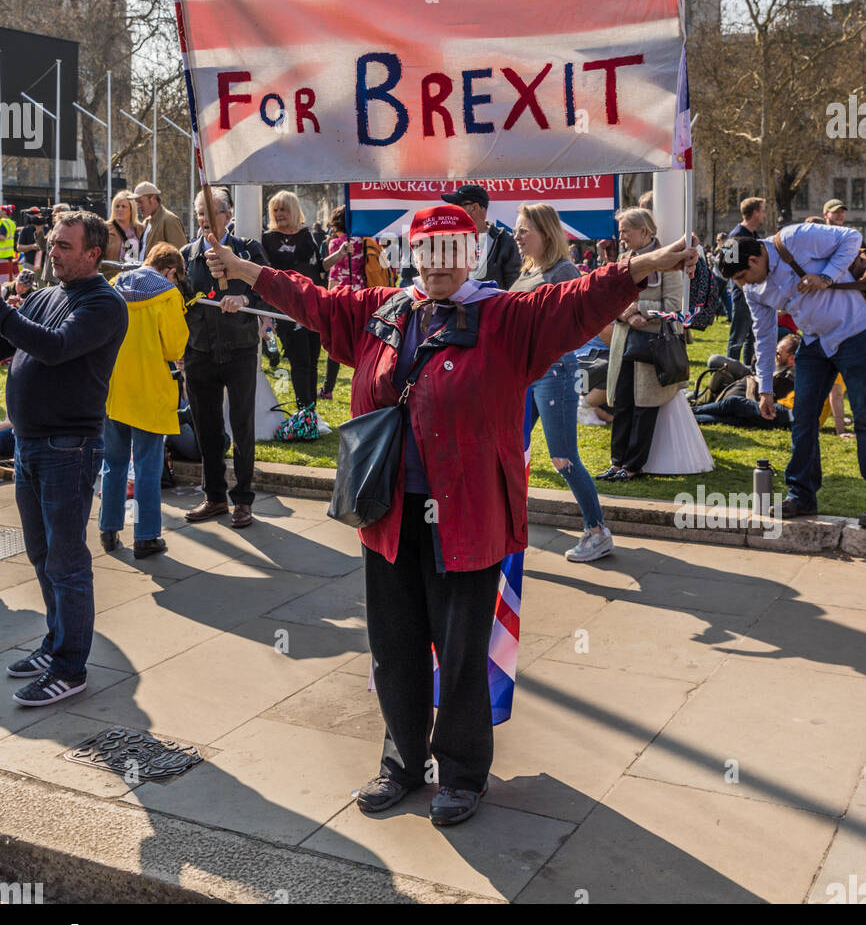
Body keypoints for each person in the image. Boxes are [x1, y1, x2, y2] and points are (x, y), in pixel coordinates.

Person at [203, 203, 697, 826]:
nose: (436, 265)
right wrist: (247, 268)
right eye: (426, 251)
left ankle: (462, 774)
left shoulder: (506, 316)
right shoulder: (383, 310)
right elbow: (313, 299)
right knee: (395, 646)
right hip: (387, 513)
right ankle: (403, 763)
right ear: (413, 253)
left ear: (469, 254)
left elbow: (578, 300)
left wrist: (642, 265)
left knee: (462, 652)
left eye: (449, 251)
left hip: (468, 516)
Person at [0, 212, 128, 705]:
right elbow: (14, 341)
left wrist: (5, 314)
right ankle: (54, 644)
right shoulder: (45, 294)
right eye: (51, 243)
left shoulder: (104, 304)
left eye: (63, 246)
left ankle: (71, 667)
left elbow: (54, 348)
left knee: (67, 562)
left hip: (68, 450)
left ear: (92, 253)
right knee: (40, 554)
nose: (51, 251)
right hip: (29, 445)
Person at [718, 221, 866, 524]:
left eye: (744, 276)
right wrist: (766, 390)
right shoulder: (754, 289)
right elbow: (764, 336)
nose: (744, 285)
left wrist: (825, 276)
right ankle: (801, 496)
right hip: (814, 343)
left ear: (755, 259)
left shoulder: (794, 238)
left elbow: (852, 237)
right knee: (802, 418)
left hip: (856, 332)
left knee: (863, 418)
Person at [509, 203, 614, 563]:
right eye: (517, 230)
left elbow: (577, 320)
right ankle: (507, 524)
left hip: (554, 372)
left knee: (562, 458)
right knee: (509, 451)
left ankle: (597, 531)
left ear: (546, 233)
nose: (517, 236)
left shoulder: (564, 270)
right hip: (524, 374)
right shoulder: (526, 272)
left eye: (524, 230)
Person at [181, 189, 268, 530]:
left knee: (242, 424)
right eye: (199, 212)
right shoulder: (187, 255)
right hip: (199, 350)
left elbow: (267, 287)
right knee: (207, 426)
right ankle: (214, 495)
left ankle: (243, 499)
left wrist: (244, 297)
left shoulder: (248, 249)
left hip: (240, 348)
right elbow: (181, 299)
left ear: (228, 214)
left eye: (211, 212)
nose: (204, 219)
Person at [98, 243, 190, 560]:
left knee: (114, 463)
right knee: (148, 468)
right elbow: (174, 348)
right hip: (150, 390)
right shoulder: (168, 295)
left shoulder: (113, 286)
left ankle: (108, 530)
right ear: (171, 271)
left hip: (114, 388)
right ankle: (146, 536)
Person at [599, 207, 687, 481]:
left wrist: (640, 309)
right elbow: (611, 296)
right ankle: (616, 462)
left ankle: (633, 465)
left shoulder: (668, 260)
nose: (621, 236)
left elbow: (674, 306)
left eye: (626, 230)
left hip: (651, 345)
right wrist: (624, 311)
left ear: (644, 231)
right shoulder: (625, 258)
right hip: (625, 340)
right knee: (622, 401)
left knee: (644, 407)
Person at [260, 191, 324, 410]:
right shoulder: (267, 239)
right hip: (286, 307)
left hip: (313, 303)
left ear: (294, 211)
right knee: (300, 360)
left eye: (283, 209)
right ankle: (304, 411)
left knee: (313, 361)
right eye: (275, 210)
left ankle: (311, 413)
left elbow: (319, 267)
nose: (279, 214)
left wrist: (341, 253)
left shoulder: (307, 235)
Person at [694, 335, 797, 429]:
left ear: (792, 358)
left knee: (732, 405)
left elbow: (776, 398)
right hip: (748, 383)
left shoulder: (789, 377)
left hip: (778, 411)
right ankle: (691, 412)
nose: (774, 354)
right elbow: (754, 366)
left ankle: (690, 413)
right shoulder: (777, 363)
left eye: (778, 353)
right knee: (715, 361)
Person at [318, 206, 364, 401]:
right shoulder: (363, 241)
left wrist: (328, 299)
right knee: (362, 344)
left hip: (341, 294)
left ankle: (328, 389)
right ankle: (362, 386)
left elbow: (334, 274)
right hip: (362, 293)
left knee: (336, 342)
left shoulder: (336, 243)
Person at [440, 184, 521, 290]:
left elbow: (513, 285)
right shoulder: (447, 239)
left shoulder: (504, 240)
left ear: (474, 208)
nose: (453, 210)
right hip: (456, 306)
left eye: (457, 206)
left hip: (492, 305)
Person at [726, 197, 766, 365]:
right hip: (742, 295)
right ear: (755, 213)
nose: (764, 214)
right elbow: (727, 267)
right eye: (763, 210)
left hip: (754, 293)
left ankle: (748, 371)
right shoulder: (735, 235)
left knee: (752, 337)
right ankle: (729, 372)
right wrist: (744, 288)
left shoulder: (754, 235)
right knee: (738, 338)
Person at [132, 181, 187, 257]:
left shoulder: (169, 220)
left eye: (141, 202)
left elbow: (180, 254)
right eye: (137, 203)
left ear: (153, 198)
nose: (138, 206)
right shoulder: (147, 222)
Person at [104, 190, 143, 265]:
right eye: (117, 206)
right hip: (112, 274)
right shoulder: (105, 229)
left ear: (131, 209)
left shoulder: (140, 229)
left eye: (123, 206)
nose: (120, 209)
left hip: (135, 274)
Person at [15, 208, 48, 275]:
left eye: (38, 215)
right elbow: (19, 247)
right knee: (27, 284)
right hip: (30, 264)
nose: (37, 217)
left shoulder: (48, 229)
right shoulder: (26, 230)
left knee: (44, 285)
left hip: (45, 265)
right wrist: (32, 247)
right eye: (34, 215)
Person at [0, 204, 17, 286]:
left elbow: (2, 237)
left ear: (4, 212)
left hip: (2, 255)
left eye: (1, 210)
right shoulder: (12, 223)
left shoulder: (3, 222)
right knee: (7, 280)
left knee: (2, 281)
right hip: (9, 254)